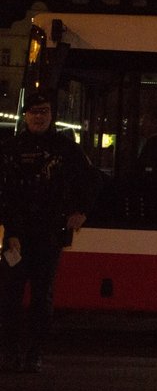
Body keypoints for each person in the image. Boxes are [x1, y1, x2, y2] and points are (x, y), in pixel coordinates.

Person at [0, 91, 99, 373]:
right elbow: (6, 194)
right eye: (34, 112)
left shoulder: (65, 148)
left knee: (41, 298)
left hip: (48, 234)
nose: (39, 117)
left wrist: (82, 211)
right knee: (9, 297)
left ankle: (33, 353)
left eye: (44, 111)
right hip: (16, 237)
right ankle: (10, 352)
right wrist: (12, 230)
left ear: (51, 115)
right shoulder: (11, 148)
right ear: (26, 115)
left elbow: (92, 181)